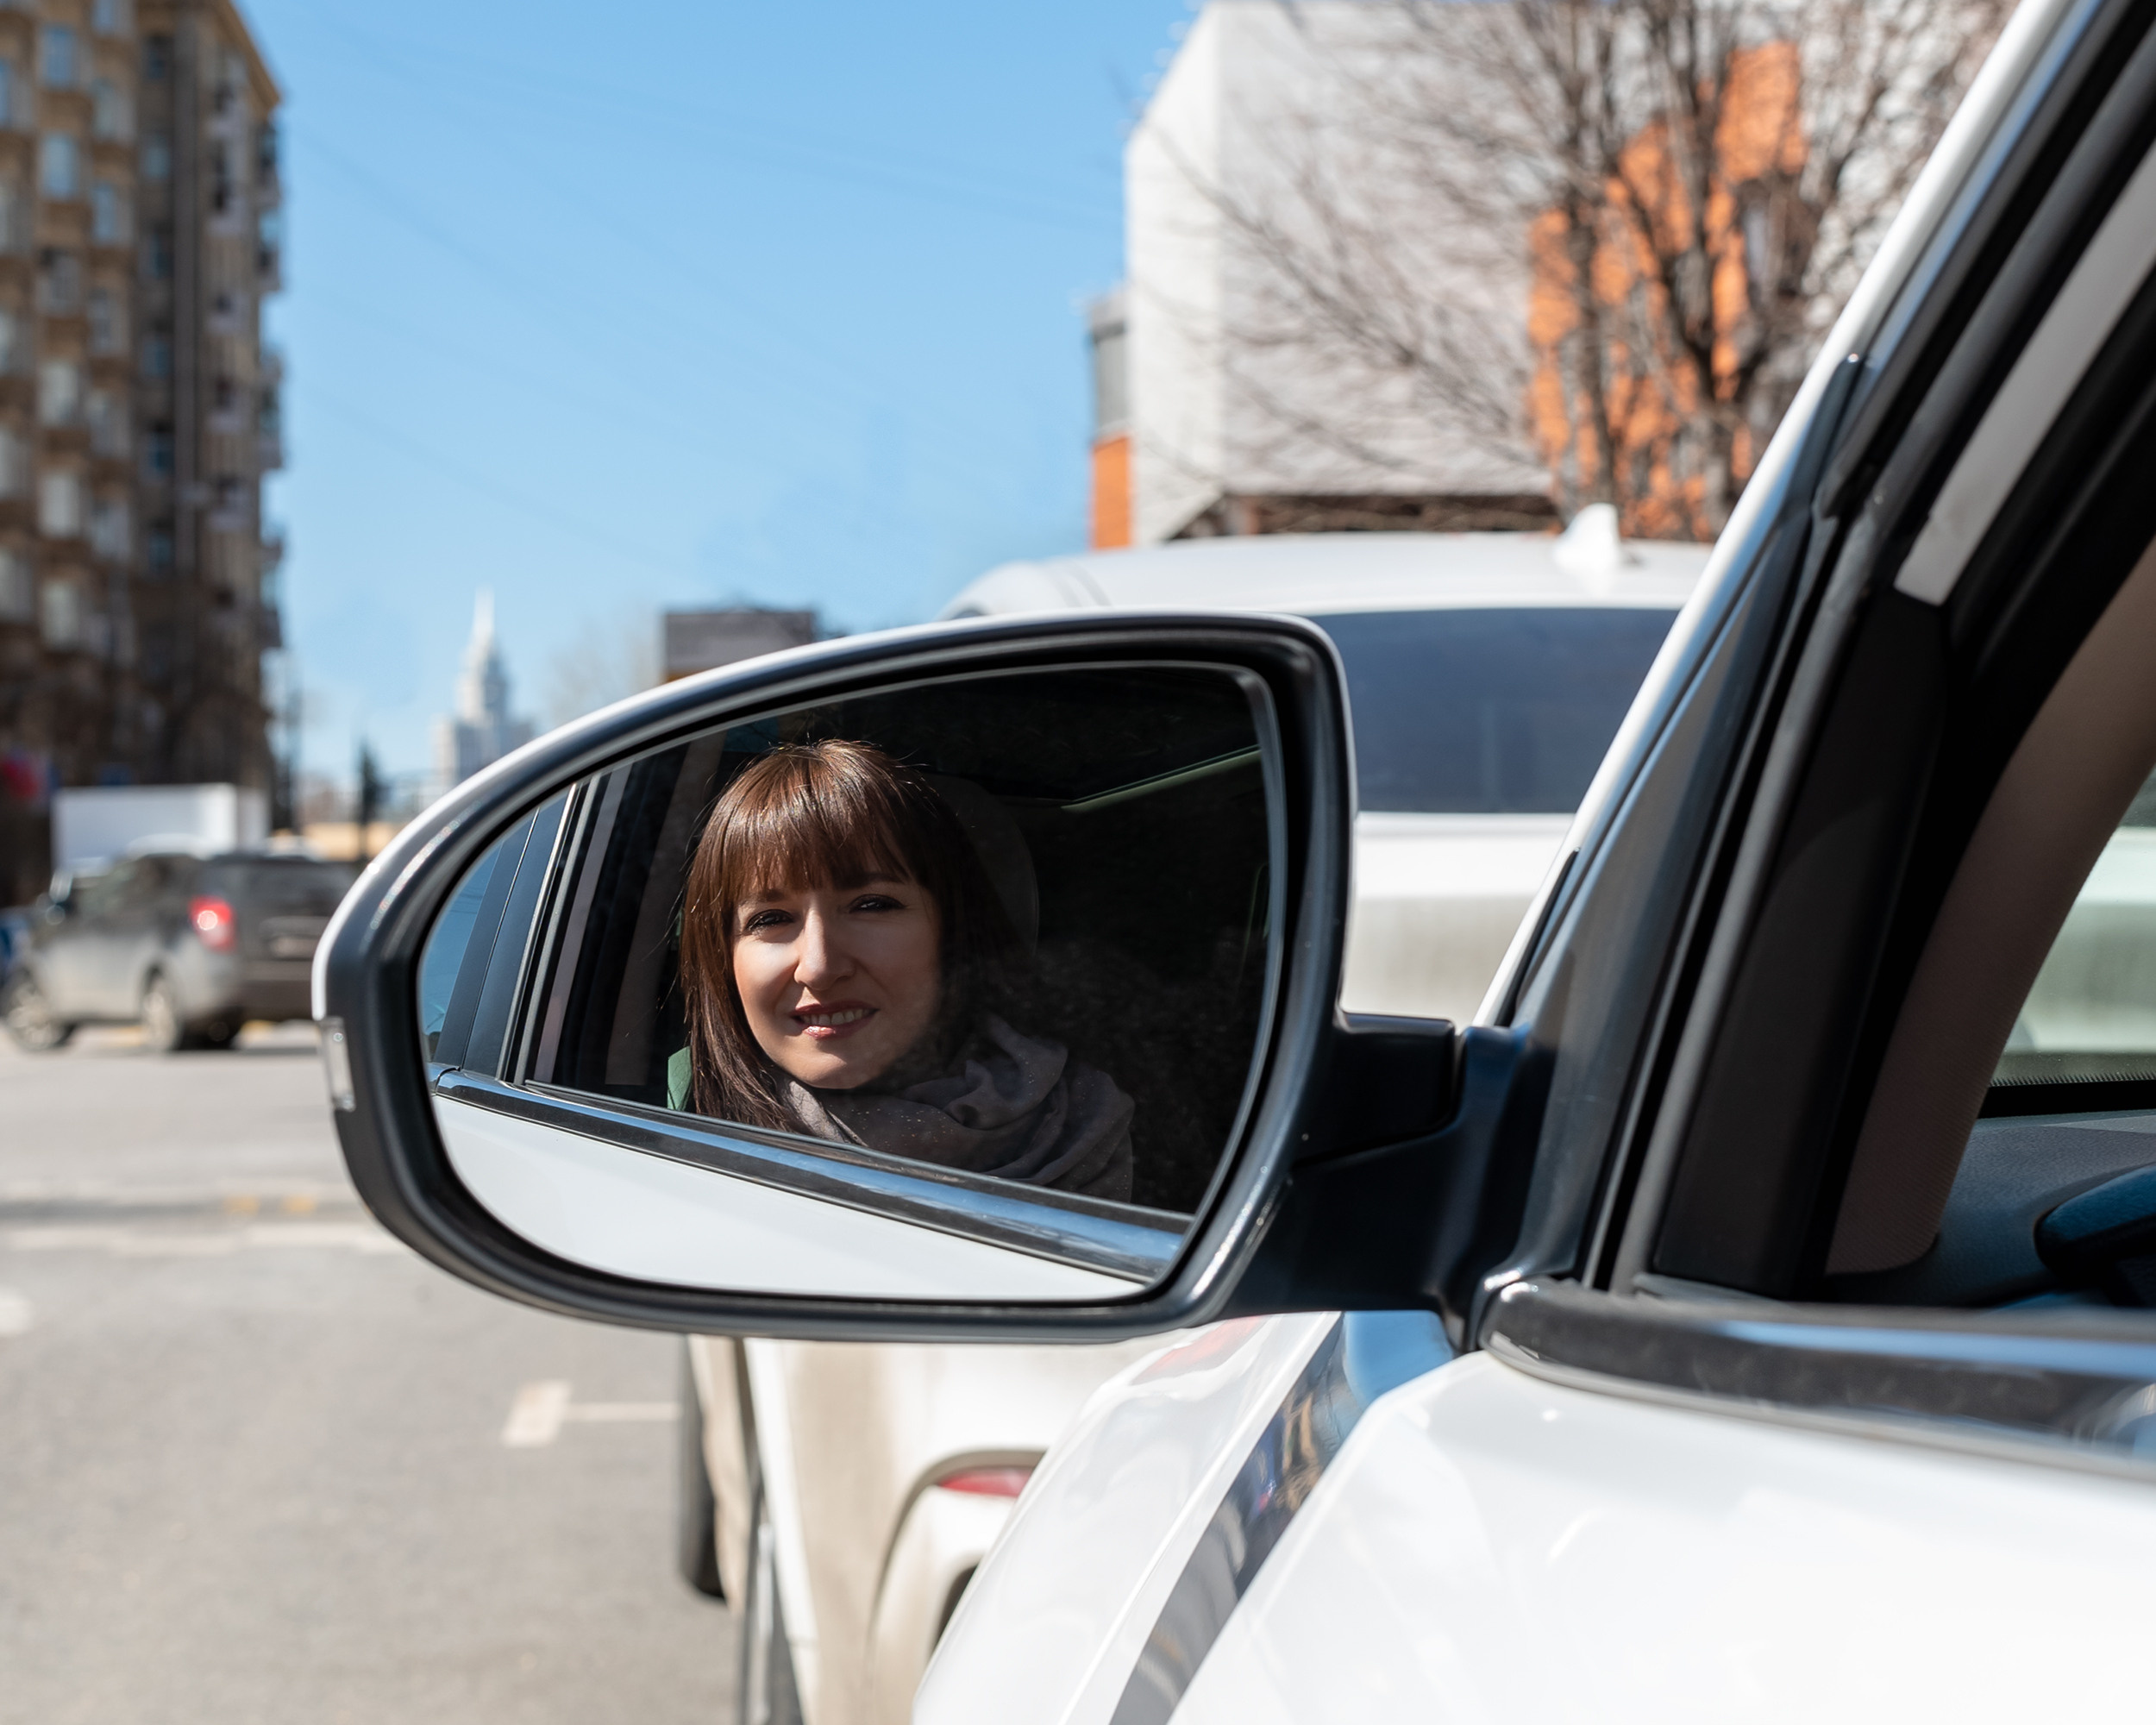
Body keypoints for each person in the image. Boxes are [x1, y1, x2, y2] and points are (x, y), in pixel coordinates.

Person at [671, 738, 1134, 1201]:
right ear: (722, 958)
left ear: (952, 934)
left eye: (871, 905)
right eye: (771, 919)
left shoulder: (1085, 1116)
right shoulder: (680, 1115)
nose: (819, 967)